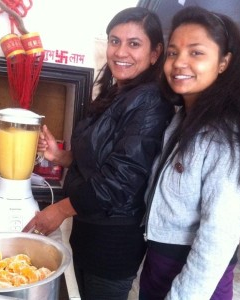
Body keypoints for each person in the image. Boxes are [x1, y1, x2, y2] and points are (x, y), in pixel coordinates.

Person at [23, 7, 174, 300]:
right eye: (114, 40)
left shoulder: (150, 102)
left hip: (113, 241)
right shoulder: (114, 93)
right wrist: (60, 157)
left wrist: (59, 209)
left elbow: (121, 181)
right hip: (87, 228)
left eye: (134, 43)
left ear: (155, 53)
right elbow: (97, 162)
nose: (120, 51)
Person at [139, 6, 240, 300]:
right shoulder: (180, 118)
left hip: (196, 278)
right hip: (158, 265)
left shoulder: (225, 135)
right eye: (173, 52)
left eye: (196, 52)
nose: (179, 63)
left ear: (223, 62)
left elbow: (218, 237)